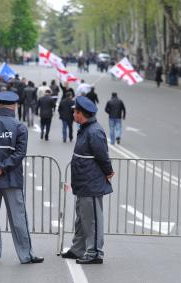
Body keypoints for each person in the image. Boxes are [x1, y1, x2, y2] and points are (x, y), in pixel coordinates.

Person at [0, 91, 44, 264]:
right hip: (12, 179)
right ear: (15, 106)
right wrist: (2, 167)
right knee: (19, 218)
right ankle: (26, 255)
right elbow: (20, 153)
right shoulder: (19, 127)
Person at [60, 96, 114, 264]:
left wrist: (108, 171)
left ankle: (95, 252)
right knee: (82, 217)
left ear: (81, 114)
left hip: (91, 181)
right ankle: (78, 249)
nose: (73, 114)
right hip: (83, 181)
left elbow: (102, 156)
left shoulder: (94, 131)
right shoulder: (85, 128)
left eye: (74, 111)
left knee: (92, 219)